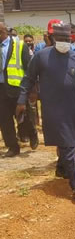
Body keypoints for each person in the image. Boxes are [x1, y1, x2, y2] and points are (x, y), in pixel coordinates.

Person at [17, 23, 75, 198]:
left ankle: (62, 168)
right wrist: (21, 100)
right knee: (68, 144)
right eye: (61, 39)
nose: (64, 42)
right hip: (52, 108)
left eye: (67, 39)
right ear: (54, 39)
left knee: (71, 142)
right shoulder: (41, 56)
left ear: (71, 39)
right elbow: (28, 79)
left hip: (73, 108)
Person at [0, 22, 37, 156]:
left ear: (3, 32)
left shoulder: (20, 45)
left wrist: (32, 89)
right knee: (4, 119)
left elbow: (29, 68)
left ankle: (32, 133)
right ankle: (13, 147)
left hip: (17, 88)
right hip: (1, 89)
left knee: (22, 116)